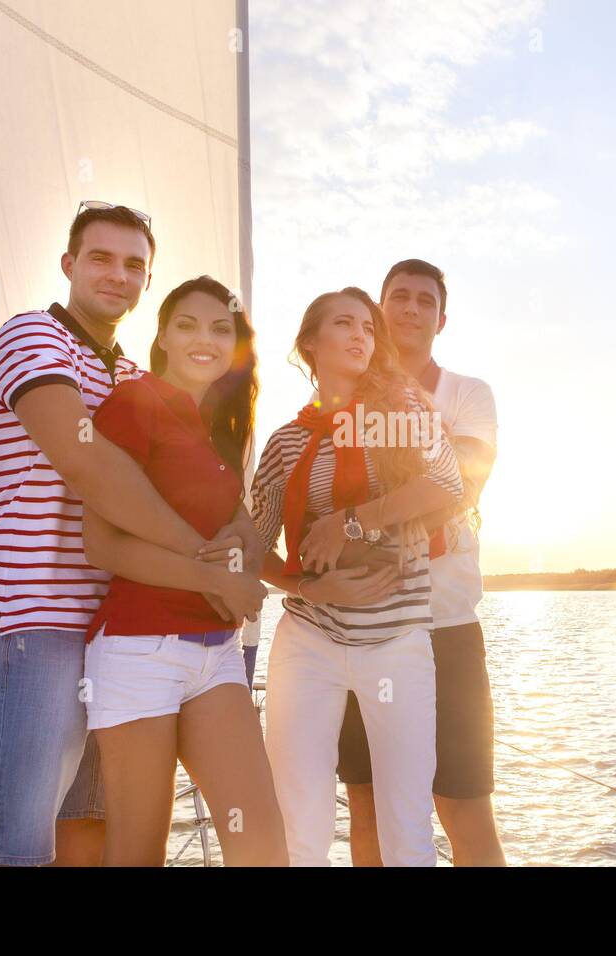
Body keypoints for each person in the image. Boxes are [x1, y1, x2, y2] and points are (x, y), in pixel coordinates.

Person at [0, 203, 262, 866]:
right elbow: (87, 461)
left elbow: (201, 489)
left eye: (135, 265)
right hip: (37, 627)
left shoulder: (134, 380)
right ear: (69, 264)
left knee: (90, 837)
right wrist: (203, 560)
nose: (117, 274)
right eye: (101, 257)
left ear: (147, 282)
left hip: (117, 637)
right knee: (16, 845)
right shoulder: (32, 338)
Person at [250, 287, 465, 866]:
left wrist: (351, 522)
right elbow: (250, 549)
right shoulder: (285, 442)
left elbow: (449, 485)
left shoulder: (406, 414)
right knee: (299, 826)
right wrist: (306, 586)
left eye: (369, 328)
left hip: (396, 642)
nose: (361, 336)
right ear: (309, 344)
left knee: (406, 829)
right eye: (344, 324)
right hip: (308, 641)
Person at [80, 276, 285, 866]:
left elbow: (242, 528)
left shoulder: (215, 429)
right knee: (139, 852)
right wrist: (219, 579)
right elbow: (103, 544)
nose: (206, 339)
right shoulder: (134, 405)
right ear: (163, 337)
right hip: (140, 653)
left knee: (263, 845)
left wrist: (238, 554)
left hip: (216, 653)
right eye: (188, 325)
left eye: (222, 329)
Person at [336, 259, 504, 866]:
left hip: (445, 629)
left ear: (441, 318)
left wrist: (363, 521)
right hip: (361, 630)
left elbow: (459, 481)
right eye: (398, 298)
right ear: (379, 313)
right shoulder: (343, 398)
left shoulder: (467, 394)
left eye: (424, 301)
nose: (410, 309)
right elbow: (320, 499)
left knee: (462, 803)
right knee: (368, 805)